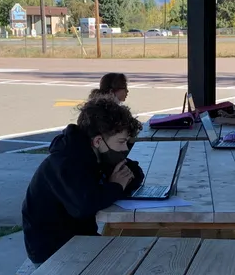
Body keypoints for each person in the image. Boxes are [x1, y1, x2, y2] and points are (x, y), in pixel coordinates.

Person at [22, 95, 145, 265]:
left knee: (136, 255)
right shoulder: (67, 162)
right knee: (132, 262)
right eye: (121, 142)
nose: (125, 148)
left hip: (78, 239)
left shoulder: (95, 154)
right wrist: (116, 186)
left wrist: (118, 180)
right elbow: (83, 206)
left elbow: (135, 173)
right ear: (98, 141)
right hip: (53, 251)